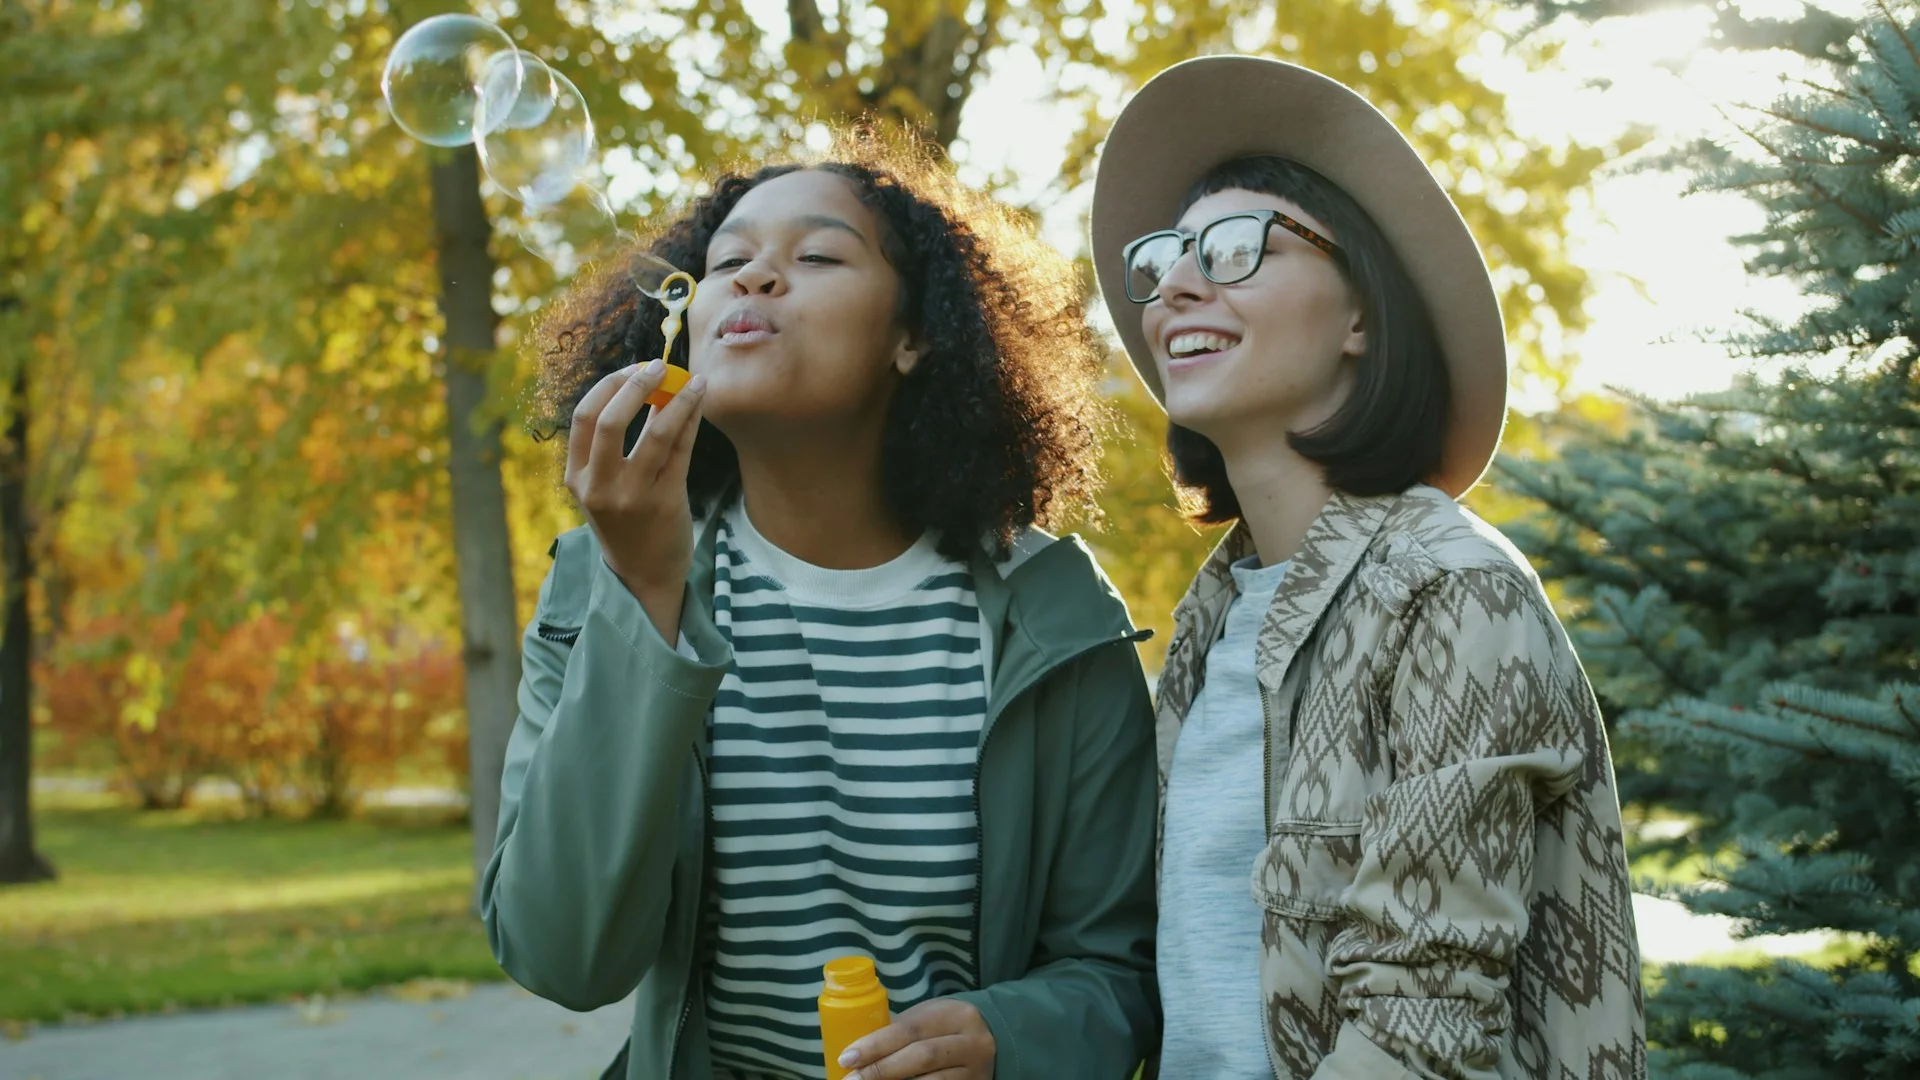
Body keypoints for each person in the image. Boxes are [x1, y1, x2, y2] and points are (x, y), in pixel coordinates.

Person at [481, 130, 1160, 1080]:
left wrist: (1011, 1038)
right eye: (728, 262)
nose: (756, 277)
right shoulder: (606, 579)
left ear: (916, 337)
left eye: (816, 255)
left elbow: (1118, 975)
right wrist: (642, 598)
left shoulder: (1053, 619)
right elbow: (562, 956)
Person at [1089, 57, 1646, 1078]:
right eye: (1164, 258)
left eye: (1236, 246)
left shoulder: (1451, 590)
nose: (1173, 284)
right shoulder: (1214, 621)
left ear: (1361, 317)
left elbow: (1420, 1038)